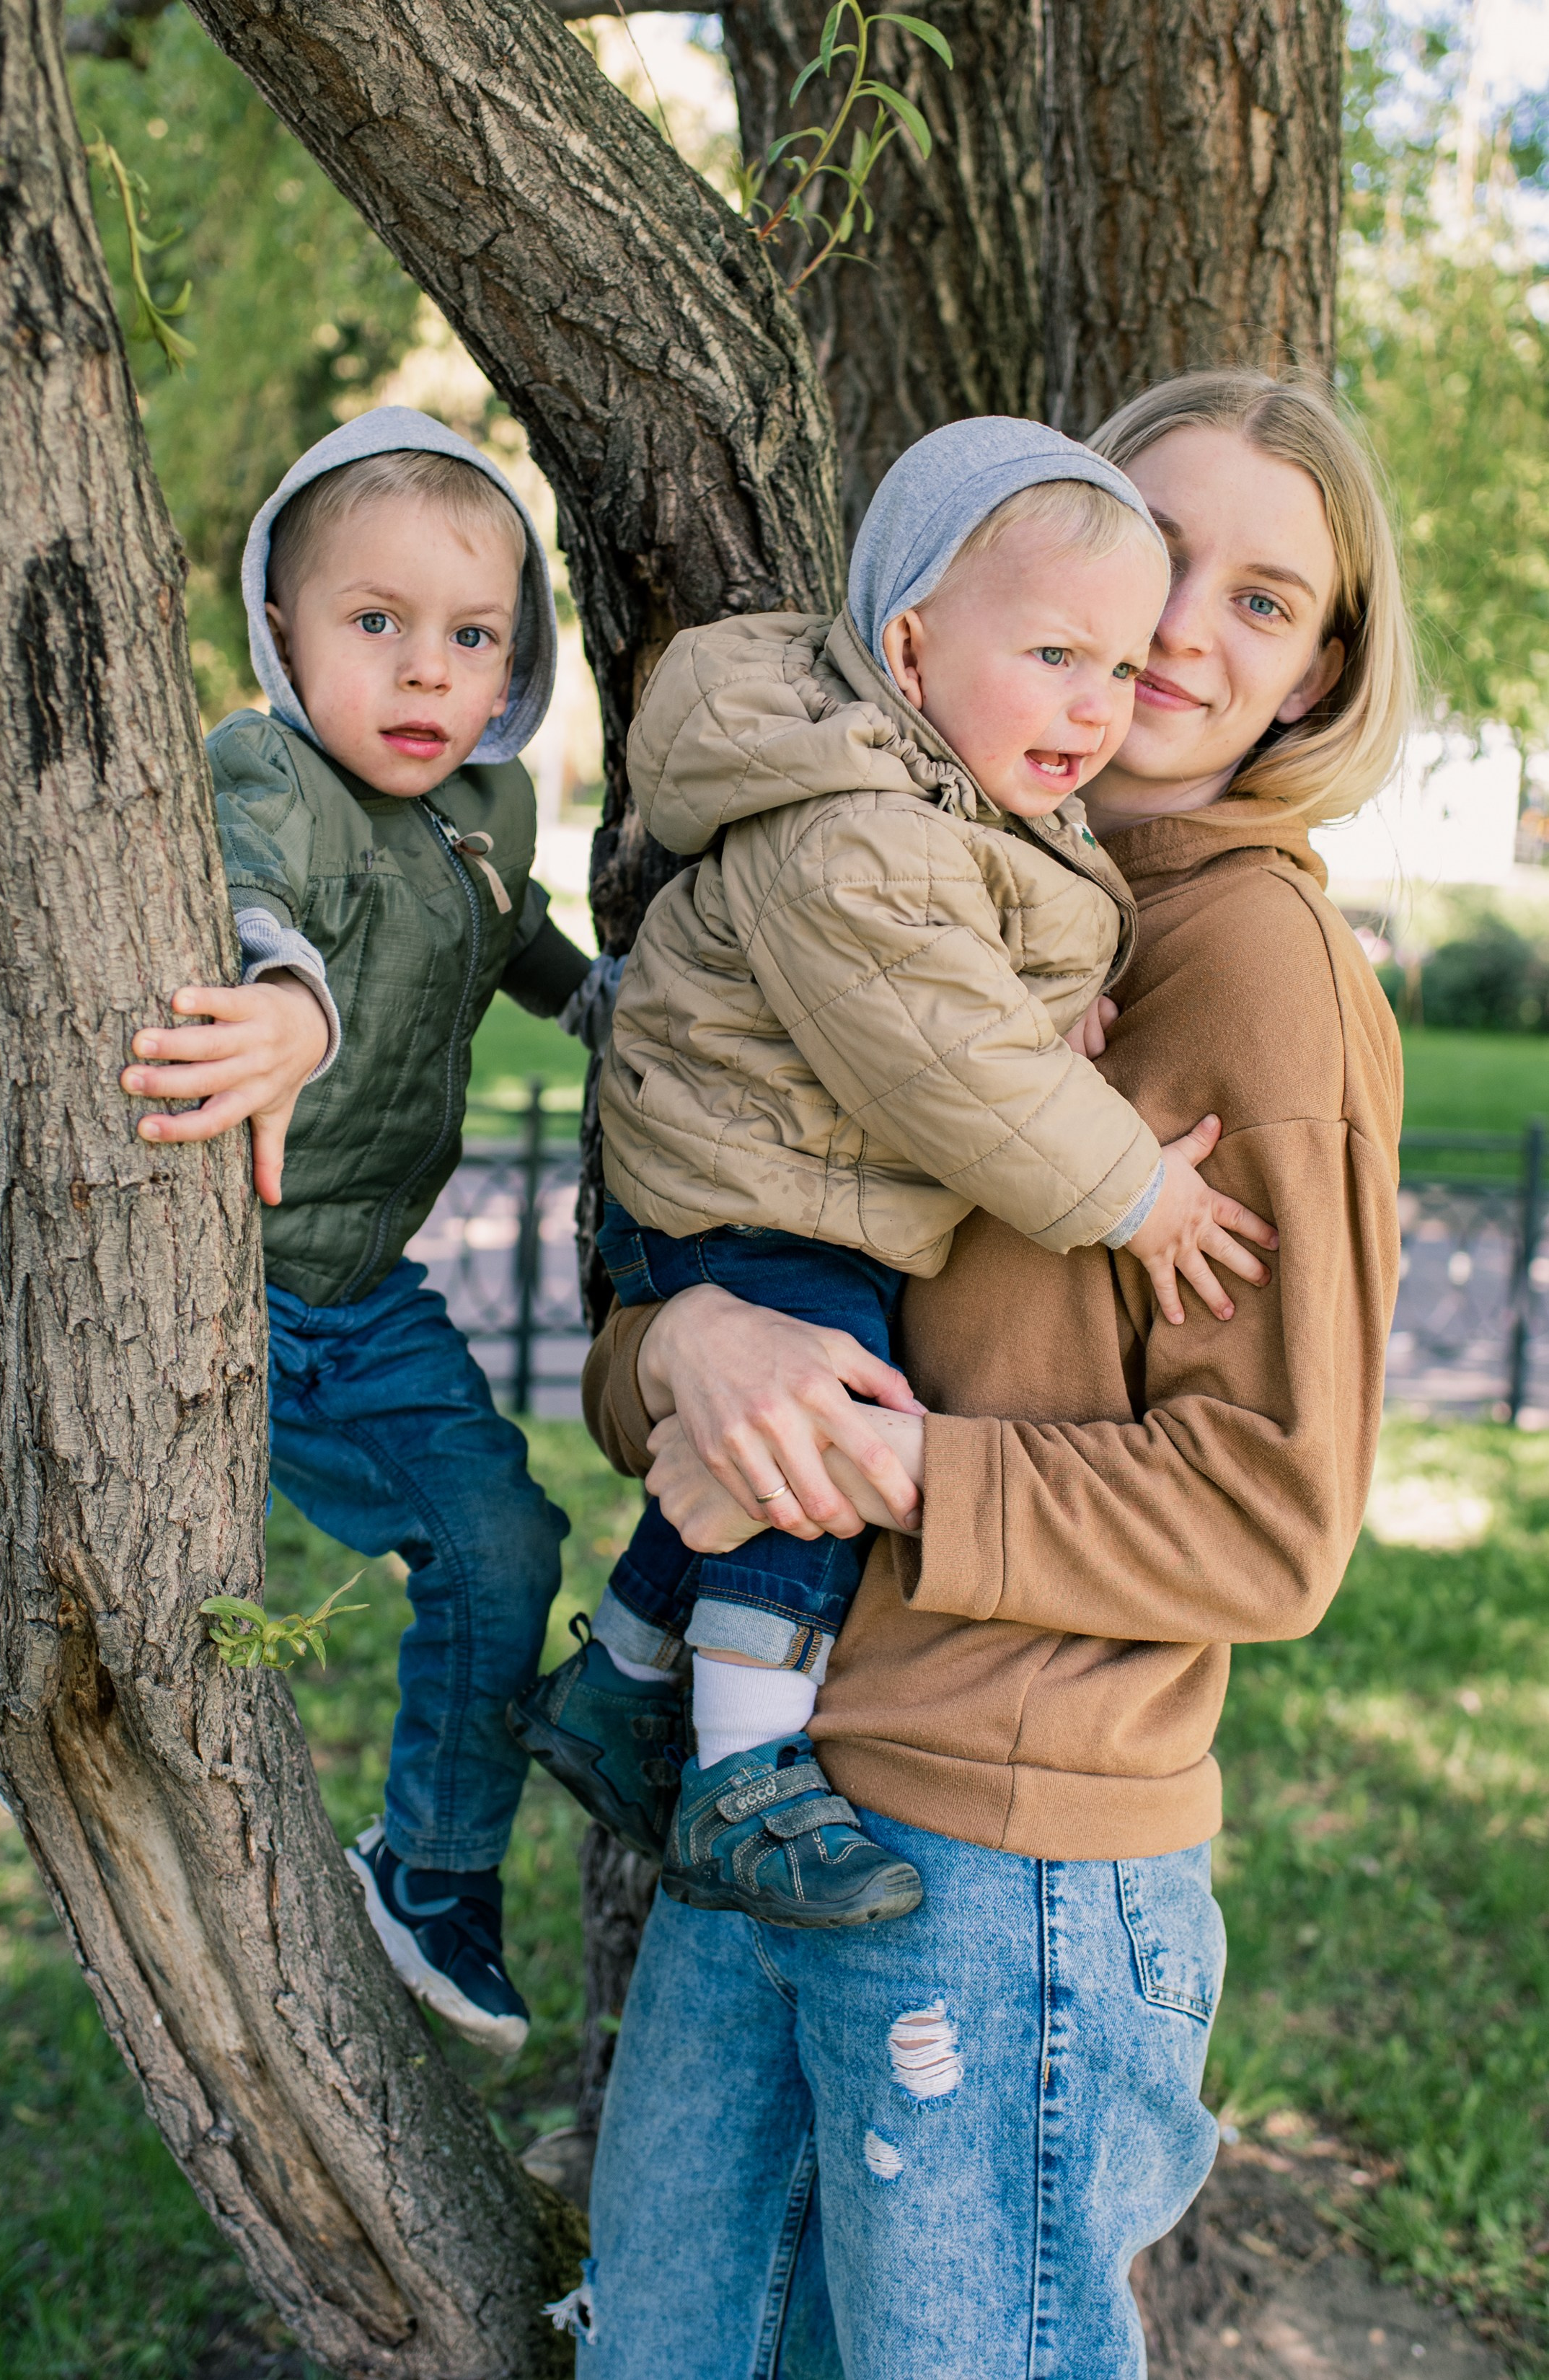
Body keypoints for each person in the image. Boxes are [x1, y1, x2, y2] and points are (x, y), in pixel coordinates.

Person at [566, 371, 1413, 2376]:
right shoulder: (879, 868)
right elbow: (686, 1325)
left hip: (1007, 1874)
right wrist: (685, 1338)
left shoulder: (1248, 971)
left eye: (1264, 601)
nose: (1182, 633)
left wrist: (873, 1465)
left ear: (1314, 680)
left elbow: (1270, 1527)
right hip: (755, 1785)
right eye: (1157, 547)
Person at [513, 421, 1276, 1930]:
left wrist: (1044, 982)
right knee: (829, 1441)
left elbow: (958, 983)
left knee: (786, 1426)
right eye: (1057, 654)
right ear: (912, 649)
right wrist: (1143, 1196)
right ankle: (738, 1778)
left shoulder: (933, 793)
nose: (1097, 704)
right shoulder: (855, 826)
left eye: (1117, 672)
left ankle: (617, 1682)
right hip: (751, 1192)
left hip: (778, 1180)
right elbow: (959, 1071)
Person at [118, 407, 621, 2053]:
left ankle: (425, 1869)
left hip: (365, 1290)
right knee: (456, 1556)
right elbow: (264, 906)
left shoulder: (485, 809)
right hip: (241, 1284)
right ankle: (432, 1874)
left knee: (512, 1546)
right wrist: (288, 1008)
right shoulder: (272, 771)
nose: (424, 673)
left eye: (470, 635)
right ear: (282, 626)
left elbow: (509, 929)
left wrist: (604, 1004)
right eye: (376, 623)